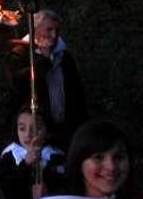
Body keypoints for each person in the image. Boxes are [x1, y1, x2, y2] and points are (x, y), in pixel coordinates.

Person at [8, 10, 86, 149]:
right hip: (34, 132)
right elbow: (19, 85)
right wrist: (43, 59)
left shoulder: (64, 56)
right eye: (49, 29)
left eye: (57, 30)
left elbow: (77, 93)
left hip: (66, 131)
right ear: (35, 29)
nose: (54, 35)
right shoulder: (21, 54)